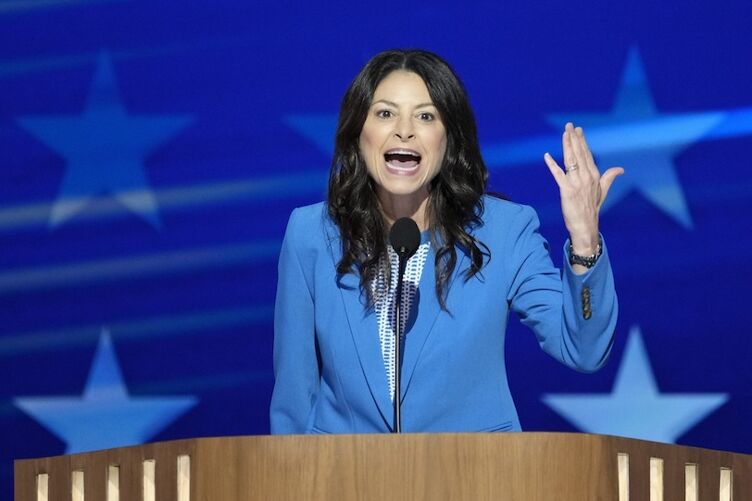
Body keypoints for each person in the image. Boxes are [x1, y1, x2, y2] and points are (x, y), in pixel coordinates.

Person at [270, 49, 623, 434]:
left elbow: (583, 351)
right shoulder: (311, 234)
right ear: (359, 132)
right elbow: (294, 396)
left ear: (448, 138)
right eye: (385, 113)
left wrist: (585, 241)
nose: (404, 130)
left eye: (425, 116)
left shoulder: (504, 231)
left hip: (473, 480)